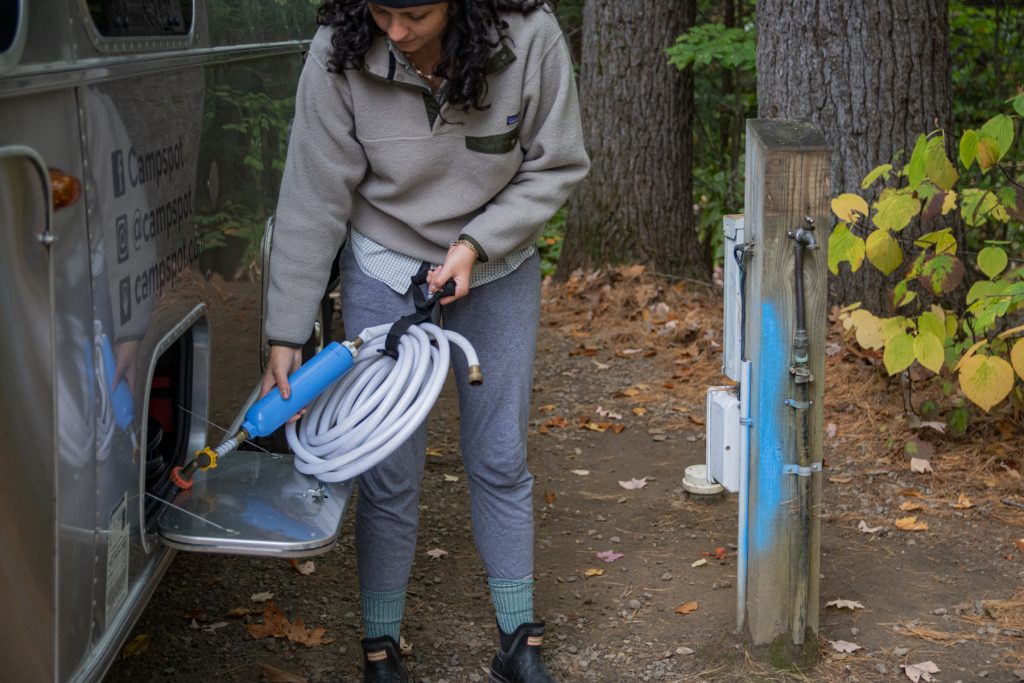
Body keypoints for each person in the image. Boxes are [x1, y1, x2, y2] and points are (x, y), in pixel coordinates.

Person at [261, 1, 588, 680]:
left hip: (495, 266)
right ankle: (380, 648)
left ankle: (517, 641)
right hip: (383, 262)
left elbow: (556, 164)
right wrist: (286, 329)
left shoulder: (530, 38)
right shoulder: (339, 49)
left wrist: (478, 243)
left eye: (414, 13)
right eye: (381, 10)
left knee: (498, 455)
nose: (396, 31)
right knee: (387, 468)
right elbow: (312, 194)